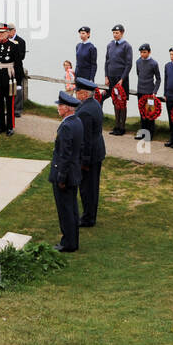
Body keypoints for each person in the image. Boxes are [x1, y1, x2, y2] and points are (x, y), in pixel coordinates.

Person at [49, 90, 85, 252]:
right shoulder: (77, 122)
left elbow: (64, 155)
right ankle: (72, 240)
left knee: (65, 210)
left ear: (69, 108)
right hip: (74, 172)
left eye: (61, 106)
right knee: (72, 208)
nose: (59, 108)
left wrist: (61, 177)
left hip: (66, 174)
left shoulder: (66, 127)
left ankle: (68, 242)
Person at [73, 78, 105, 228]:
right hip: (97, 152)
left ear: (84, 94)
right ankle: (90, 214)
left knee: (87, 188)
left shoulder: (85, 112)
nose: (76, 94)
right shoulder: (94, 104)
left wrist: (84, 161)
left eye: (77, 91)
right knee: (92, 186)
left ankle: (88, 218)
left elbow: (85, 140)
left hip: (90, 156)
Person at [0, 24, 19, 136]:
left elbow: (18, 65)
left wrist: (18, 82)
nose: (0, 34)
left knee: (10, 104)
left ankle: (10, 127)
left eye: (2, 33)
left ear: (7, 33)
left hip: (9, 77)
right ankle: (1, 126)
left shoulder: (14, 45)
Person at [104, 24, 133, 135]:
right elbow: (107, 61)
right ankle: (116, 126)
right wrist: (106, 76)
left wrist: (122, 79)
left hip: (121, 79)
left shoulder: (127, 46)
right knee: (114, 102)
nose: (115, 35)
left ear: (122, 33)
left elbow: (128, 64)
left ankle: (122, 127)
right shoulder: (110, 45)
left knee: (122, 103)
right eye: (114, 33)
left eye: (117, 33)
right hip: (111, 78)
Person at [134, 43, 162, 140]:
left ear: (149, 52)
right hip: (140, 91)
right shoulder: (138, 62)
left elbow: (158, 79)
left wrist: (154, 92)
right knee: (142, 114)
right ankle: (143, 133)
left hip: (150, 93)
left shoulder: (154, 63)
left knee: (150, 114)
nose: (142, 54)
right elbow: (138, 73)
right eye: (141, 52)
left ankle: (149, 135)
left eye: (144, 52)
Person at [8, 24, 27, 118]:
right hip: (8, 69)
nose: (8, 32)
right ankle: (9, 109)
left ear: (14, 30)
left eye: (9, 30)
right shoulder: (6, 40)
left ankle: (18, 110)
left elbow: (22, 56)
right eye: (7, 30)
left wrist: (12, 55)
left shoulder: (21, 41)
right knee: (9, 89)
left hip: (17, 69)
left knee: (18, 89)